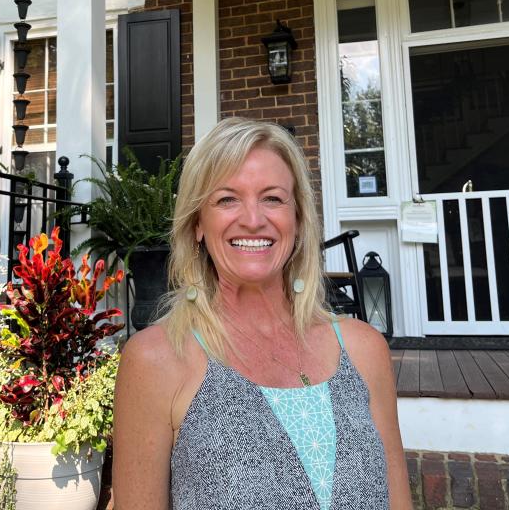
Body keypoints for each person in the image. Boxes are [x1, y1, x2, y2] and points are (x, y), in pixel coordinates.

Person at [113, 117, 411, 510]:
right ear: (198, 223)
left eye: (272, 198)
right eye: (226, 199)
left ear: (298, 219)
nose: (253, 219)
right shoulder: (156, 360)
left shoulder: (364, 349)